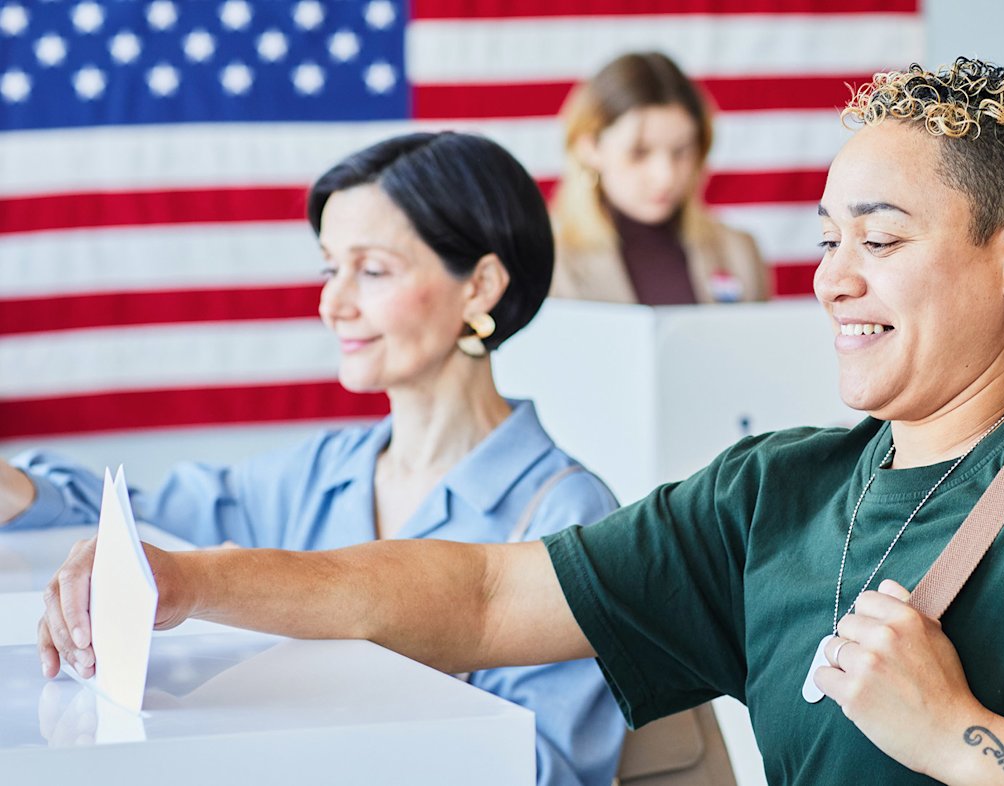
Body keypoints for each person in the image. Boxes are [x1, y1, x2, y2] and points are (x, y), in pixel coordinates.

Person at [38, 61, 1004, 786]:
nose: (830, 275)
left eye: (879, 239)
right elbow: (485, 596)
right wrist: (196, 579)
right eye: (827, 239)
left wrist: (959, 736)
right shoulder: (776, 489)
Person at [3, 132, 626, 786]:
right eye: (331, 268)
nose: (333, 304)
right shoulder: (320, 473)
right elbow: (142, 526)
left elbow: (552, 772)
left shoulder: (570, 513)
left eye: (373, 270)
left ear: (480, 286)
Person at [548, 51, 769, 305]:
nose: (665, 176)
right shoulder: (551, 263)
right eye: (639, 153)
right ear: (590, 147)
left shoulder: (739, 252)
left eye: (680, 151)